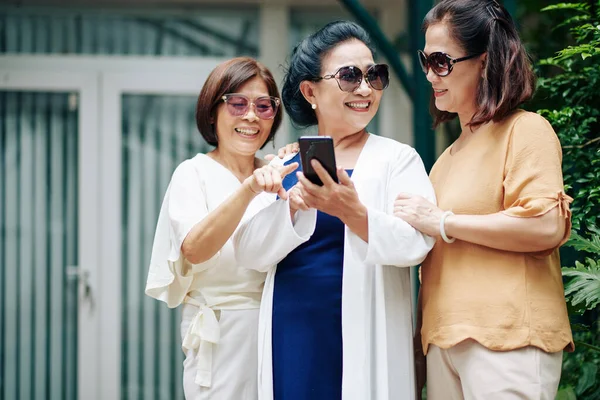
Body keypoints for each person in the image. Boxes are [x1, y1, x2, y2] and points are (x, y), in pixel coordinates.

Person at [233, 21, 436, 400]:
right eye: (349, 76)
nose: (365, 89)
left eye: (374, 75)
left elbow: (417, 244)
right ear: (310, 90)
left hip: (364, 331)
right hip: (292, 334)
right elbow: (247, 251)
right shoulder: (287, 163)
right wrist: (289, 210)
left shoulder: (398, 159)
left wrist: (352, 212)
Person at [393, 1, 574, 399]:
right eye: (426, 60)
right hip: (442, 345)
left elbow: (545, 225)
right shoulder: (442, 163)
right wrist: (418, 353)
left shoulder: (526, 131)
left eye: (441, 61)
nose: (429, 74)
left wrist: (443, 221)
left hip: (509, 339)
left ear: (485, 62)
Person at [144, 57, 298, 399]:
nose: (251, 116)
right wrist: (250, 189)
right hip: (220, 333)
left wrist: (297, 166)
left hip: (279, 330)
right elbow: (195, 249)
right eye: (237, 103)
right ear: (213, 111)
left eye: (264, 106)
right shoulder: (193, 172)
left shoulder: (280, 171)